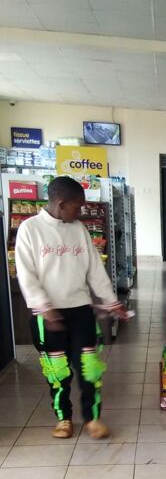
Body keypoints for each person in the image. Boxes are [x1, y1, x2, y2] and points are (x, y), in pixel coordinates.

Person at [15, 175, 127, 439]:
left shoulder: (79, 230)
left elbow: (95, 270)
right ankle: (63, 418)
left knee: (90, 369)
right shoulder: (30, 229)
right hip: (47, 316)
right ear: (61, 204)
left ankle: (93, 419)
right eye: (77, 207)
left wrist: (111, 302)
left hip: (81, 311)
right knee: (57, 373)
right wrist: (44, 307)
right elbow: (26, 274)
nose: (81, 212)